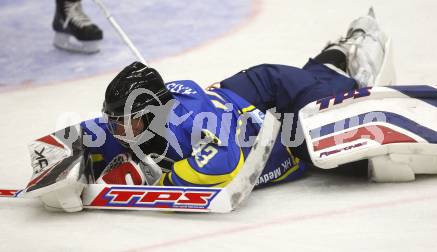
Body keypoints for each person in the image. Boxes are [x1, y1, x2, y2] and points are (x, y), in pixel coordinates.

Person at [27, 10, 390, 211]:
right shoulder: (134, 125)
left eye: (127, 123)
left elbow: (226, 162)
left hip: (275, 110)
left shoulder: (190, 123)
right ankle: (336, 57)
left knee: (332, 107)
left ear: (153, 112)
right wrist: (60, 169)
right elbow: (70, 139)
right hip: (242, 95)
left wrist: (164, 181)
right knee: (315, 85)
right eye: (115, 123)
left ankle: (359, 43)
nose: (119, 132)